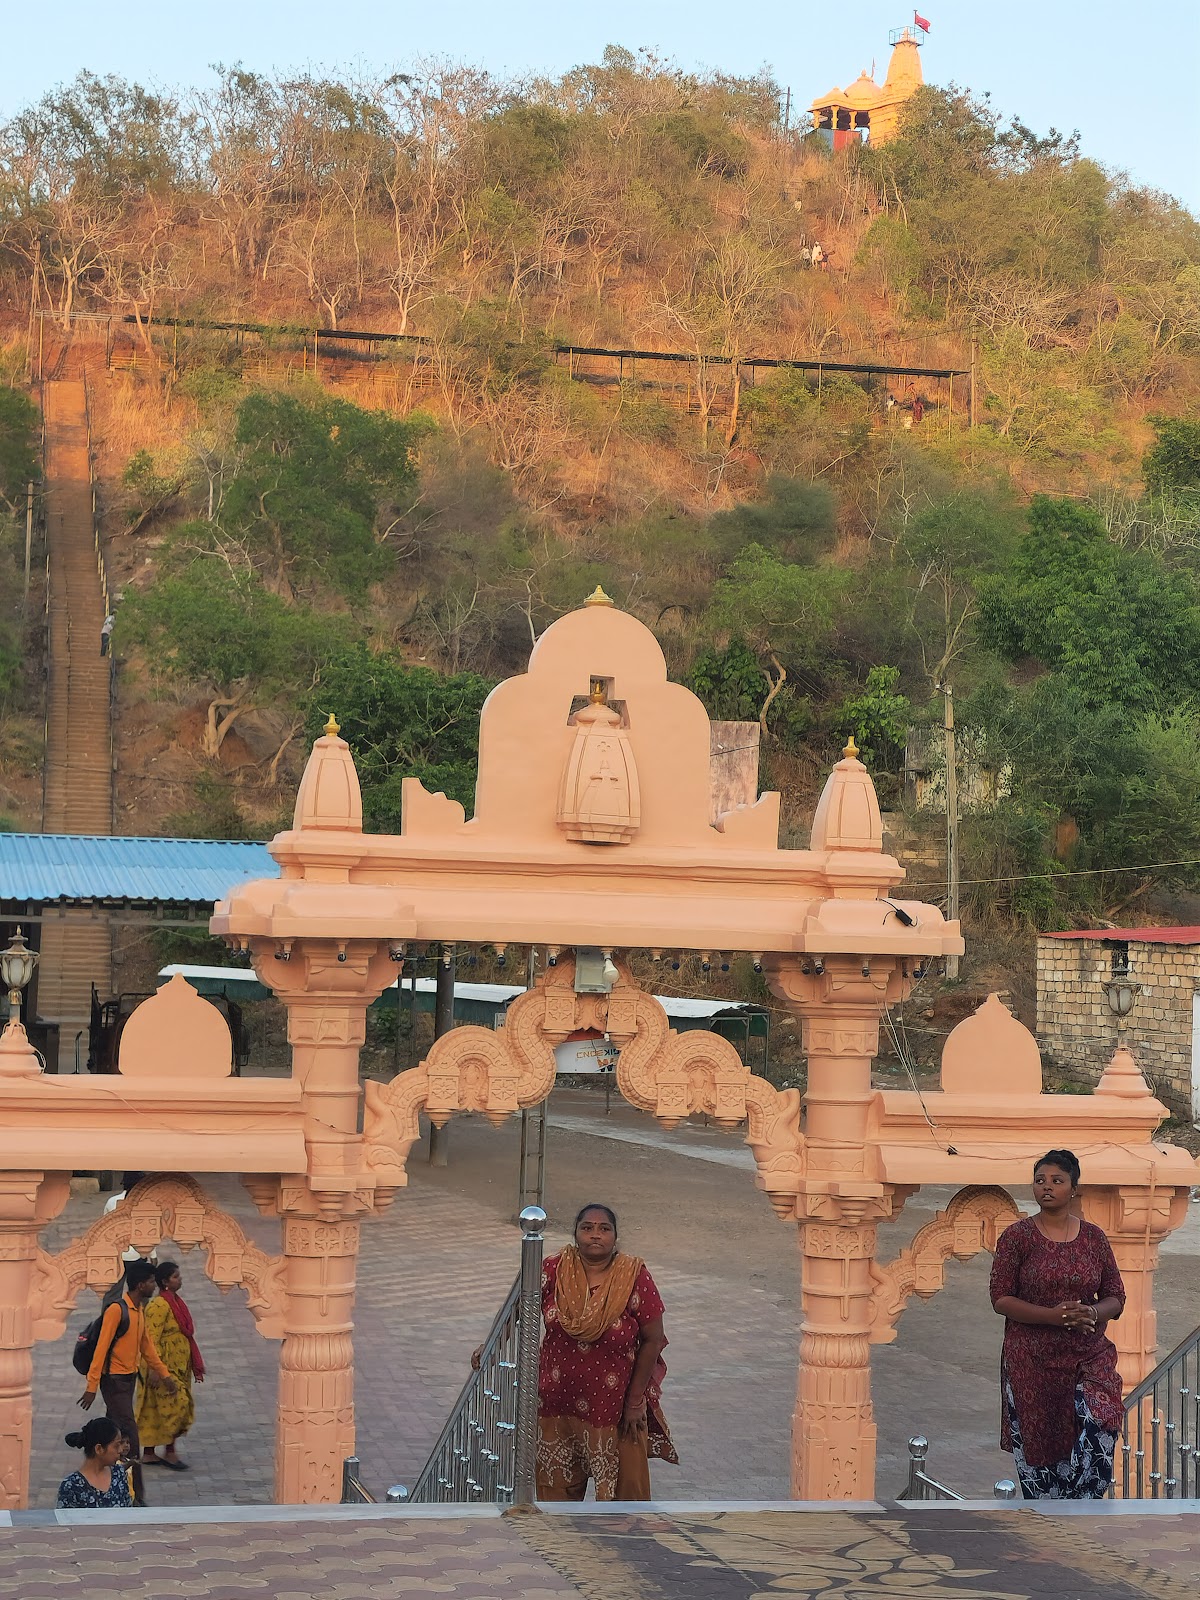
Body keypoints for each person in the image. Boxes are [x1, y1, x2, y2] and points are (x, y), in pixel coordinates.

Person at [989, 1148, 1126, 1499]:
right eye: (1039, 1181)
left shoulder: (1094, 1238)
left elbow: (1115, 1295)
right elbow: (1001, 1298)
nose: (1046, 1187)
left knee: (1099, 1420)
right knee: (1042, 1455)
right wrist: (1054, 1316)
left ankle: (1084, 1509)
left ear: (1073, 1188)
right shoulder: (1017, 1237)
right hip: (1031, 1363)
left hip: (1088, 1354)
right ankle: (1049, 1529)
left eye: (1056, 1181)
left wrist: (1093, 1313)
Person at [536, 1203, 678, 1500]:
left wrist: (636, 1400)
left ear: (615, 1236)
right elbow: (518, 1308)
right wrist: (489, 1348)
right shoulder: (555, 1268)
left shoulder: (633, 1275)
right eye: (587, 1228)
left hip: (616, 1407)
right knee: (558, 1505)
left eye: (604, 1228)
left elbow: (654, 1338)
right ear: (576, 1234)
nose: (595, 1235)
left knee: (623, 1507)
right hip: (558, 1405)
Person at [77, 1259, 177, 1504]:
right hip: (113, 1381)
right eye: (152, 1282)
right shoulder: (116, 1310)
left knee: (114, 1432)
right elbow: (100, 1350)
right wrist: (91, 1387)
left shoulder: (138, 1310)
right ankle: (136, 1496)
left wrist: (165, 1375)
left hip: (128, 1379)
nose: (155, 1286)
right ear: (140, 1284)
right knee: (129, 1435)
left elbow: (147, 1348)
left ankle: (109, 1485)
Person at [137, 1261, 204, 1471]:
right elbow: (151, 1338)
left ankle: (151, 1453)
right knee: (176, 1404)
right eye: (175, 1276)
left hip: (179, 1366)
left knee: (159, 1407)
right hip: (163, 1367)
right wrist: (156, 1369)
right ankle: (170, 1452)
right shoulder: (158, 1305)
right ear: (164, 1282)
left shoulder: (176, 1302)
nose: (179, 1279)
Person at [56, 1416, 133, 1509]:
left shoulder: (119, 1474)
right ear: (99, 1449)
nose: (121, 1450)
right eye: (117, 1445)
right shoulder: (72, 1486)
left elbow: (128, 1513)